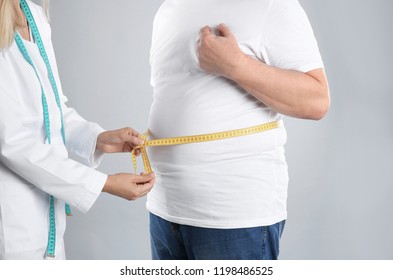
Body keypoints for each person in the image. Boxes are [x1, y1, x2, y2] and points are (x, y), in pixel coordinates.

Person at [147, 0, 330, 260]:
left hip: (234, 217)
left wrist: (236, 66)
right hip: (164, 210)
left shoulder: (272, 6)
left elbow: (317, 101)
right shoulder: (169, 8)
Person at [0, 0, 155, 260]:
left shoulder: (35, 16)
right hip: (12, 225)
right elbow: (12, 142)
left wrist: (99, 139)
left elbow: (52, 112)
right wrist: (104, 183)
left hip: (51, 220)